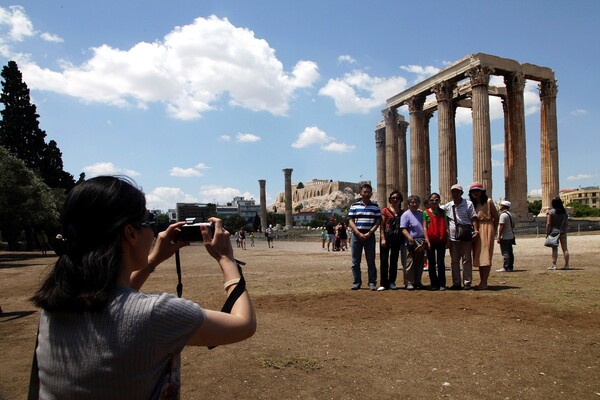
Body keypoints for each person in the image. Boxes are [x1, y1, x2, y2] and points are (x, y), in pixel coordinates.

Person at [29, 176, 256, 399]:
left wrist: (154, 258)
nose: (154, 233)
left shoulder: (53, 308)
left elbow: (113, 297)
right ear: (130, 233)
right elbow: (244, 324)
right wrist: (226, 259)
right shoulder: (154, 314)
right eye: (148, 223)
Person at [442, 184, 479, 290]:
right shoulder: (448, 206)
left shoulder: (468, 204)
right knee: (454, 261)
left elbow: (473, 218)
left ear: (461, 193)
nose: (455, 194)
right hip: (453, 237)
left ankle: (467, 283)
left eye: (457, 192)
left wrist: (476, 230)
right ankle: (456, 283)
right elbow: (437, 212)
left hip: (466, 236)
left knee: (466, 259)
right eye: (453, 192)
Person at [348, 183, 381, 291]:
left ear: (371, 193)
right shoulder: (354, 206)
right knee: (355, 261)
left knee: (371, 261)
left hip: (369, 235)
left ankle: (372, 282)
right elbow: (351, 221)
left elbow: (378, 221)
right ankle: (357, 282)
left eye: (368, 192)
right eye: (364, 192)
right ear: (361, 193)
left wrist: (370, 232)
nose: (366, 194)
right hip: (357, 235)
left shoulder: (375, 207)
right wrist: (357, 233)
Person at [469, 182, 499, 290]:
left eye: (477, 191)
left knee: (486, 255)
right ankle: (482, 281)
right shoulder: (471, 204)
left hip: (487, 227)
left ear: (482, 191)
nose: (475, 193)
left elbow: (496, 217)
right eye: (473, 191)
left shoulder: (489, 201)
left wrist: (493, 230)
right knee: (478, 255)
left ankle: (484, 282)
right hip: (476, 229)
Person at [378, 190, 405, 291]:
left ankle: (392, 282)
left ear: (400, 200)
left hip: (397, 238)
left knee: (394, 261)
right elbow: (382, 225)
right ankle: (383, 283)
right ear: (390, 199)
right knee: (384, 261)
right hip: (386, 237)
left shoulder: (402, 212)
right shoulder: (385, 210)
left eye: (397, 198)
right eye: (393, 198)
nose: (395, 199)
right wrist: (382, 238)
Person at [423, 192, 449, 290]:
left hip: (441, 239)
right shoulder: (425, 212)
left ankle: (442, 284)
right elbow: (424, 227)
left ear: (439, 201)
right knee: (432, 262)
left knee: (441, 262)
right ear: (429, 201)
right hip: (430, 239)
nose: (434, 202)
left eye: (436, 200)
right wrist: (427, 240)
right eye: (432, 200)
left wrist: (448, 239)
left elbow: (446, 226)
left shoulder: (443, 212)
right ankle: (434, 283)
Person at [400, 195, 426, 290]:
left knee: (419, 263)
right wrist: (409, 238)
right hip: (410, 241)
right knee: (409, 262)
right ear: (408, 203)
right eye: (412, 202)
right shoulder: (406, 214)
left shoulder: (421, 213)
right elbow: (403, 228)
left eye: (416, 202)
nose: (414, 204)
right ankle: (409, 282)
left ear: (419, 203)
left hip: (421, 241)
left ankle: (418, 281)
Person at [546, 197, 570, 270]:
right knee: (565, 249)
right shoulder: (564, 212)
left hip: (553, 232)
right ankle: (566, 265)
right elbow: (566, 223)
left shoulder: (551, 212)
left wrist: (547, 233)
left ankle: (554, 265)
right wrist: (564, 230)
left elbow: (548, 224)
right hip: (562, 232)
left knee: (554, 249)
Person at [496, 200, 515, 272]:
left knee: (505, 252)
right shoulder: (510, 214)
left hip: (505, 236)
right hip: (510, 235)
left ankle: (506, 267)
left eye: (500, 205)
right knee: (510, 251)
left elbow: (501, 226)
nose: (499, 206)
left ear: (503, 206)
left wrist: (499, 236)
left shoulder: (503, 215)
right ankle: (510, 267)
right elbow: (513, 225)